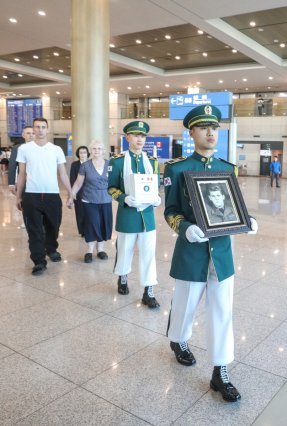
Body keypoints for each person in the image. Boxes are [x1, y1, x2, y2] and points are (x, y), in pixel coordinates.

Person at [163, 104, 258, 403]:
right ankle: (178, 340)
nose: (211, 132)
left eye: (215, 127)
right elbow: (170, 210)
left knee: (221, 312)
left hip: (222, 253)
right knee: (184, 306)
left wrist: (247, 219)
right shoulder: (177, 169)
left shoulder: (226, 169)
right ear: (191, 132)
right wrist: (184, 227)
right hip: (192, 252)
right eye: (204, 127)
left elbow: (232, 206)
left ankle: (221, 370)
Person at [107, 121, 161, 308]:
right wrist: (124, 198)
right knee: (125, 250)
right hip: (128, 215)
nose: (140, 139)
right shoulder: (118, 161)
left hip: (147, 216)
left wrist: (157, 198)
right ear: (127, 138)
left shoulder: (152, 162)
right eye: (136, 135)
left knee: (148, 254)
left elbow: (156, 185)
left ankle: (149, 290)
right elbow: (111, 188)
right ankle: (122, 277)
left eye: (143, 136)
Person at [15, 118, 73, 276]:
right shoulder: (25, 149)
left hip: (52, 195)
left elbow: (62, 173)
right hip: (32, 195)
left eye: (43, 127)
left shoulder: (55, 150)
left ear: (48, 129)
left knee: (53, 226)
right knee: (34, 230)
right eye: (37, 127)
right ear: (33, 129)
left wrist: (70, 193)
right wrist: (18, 196)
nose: (40, 130)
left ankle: (52, 249)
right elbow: (21, 174)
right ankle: (39, 261)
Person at [68, 141, 113, 263]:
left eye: (99, 148)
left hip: (105, 199)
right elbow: (78, 183)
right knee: (92, 224)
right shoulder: (85, 166)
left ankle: (101, 250)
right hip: (89, 199)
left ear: (104, 151)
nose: (97, 151)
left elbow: (115, 182)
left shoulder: (110, 164)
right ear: (90, 151)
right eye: (94, 148)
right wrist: (71, 196)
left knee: (103, 224)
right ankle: (89, 251)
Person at [69, 145, 90, 237]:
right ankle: (82, 231)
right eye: (81, 153)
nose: (82, 154)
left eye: (84, 152)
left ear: (87, 154)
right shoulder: (74, 165)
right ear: (78, 154)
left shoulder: (91, 163)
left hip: (90, 192)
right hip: (79, 192)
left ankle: (89, 229)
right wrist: (72, 194)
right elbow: (72, 179)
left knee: (89, 212)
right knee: (80, 212)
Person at [8, 126, 35, 196]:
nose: (31, 135)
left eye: (33, 133)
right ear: (23, 135)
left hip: (39, 183)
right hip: (23, 183)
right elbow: (12, 166)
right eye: (28, 133)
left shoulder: (42, 148)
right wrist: (11, 183)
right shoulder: (17, 148)